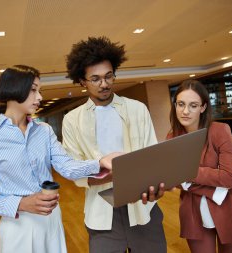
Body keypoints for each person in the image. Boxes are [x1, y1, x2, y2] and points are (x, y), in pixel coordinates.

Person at [0, 65, 120, 253]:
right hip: (18, 226)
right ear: (13, 89)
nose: (39, 97)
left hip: (51, 219)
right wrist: (21, 204)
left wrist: (100, 162)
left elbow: (66, 167)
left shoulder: (44, 131)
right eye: (33, 90)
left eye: (39, 90)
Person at [62, 37, 167, 253]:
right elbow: (73, 167)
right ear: (82, 81)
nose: (104, 84)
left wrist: (156, 185)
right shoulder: (72, 120)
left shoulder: (137, 109)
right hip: (101, 212)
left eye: (109, 76)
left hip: (143, 206)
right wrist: (103, 174)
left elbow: (152, 155)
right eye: (96, 79)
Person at [167, 79, 232, 253]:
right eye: (181, 104)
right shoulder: (172, 137)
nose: (185, 111)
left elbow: (229, 177)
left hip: (230, 209)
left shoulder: (220, 130)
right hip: (193, 213)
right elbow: (173, 180)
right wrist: (219, 182)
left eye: (193, 105)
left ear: (203, 107)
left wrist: (186, 173)